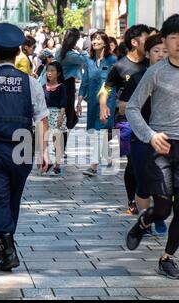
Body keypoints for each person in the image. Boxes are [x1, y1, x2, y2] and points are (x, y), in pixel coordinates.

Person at [125, 14, 179, 279]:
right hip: (161, 147)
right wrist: (150, 136)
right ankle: (144, 221)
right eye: (173, 36)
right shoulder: (154, 72)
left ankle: (168, 258)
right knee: (163, 209)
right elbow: (132, 108)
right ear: (164, 40)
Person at [0, 23, 49, 271]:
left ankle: (6, 244)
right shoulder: (31, 83)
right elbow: (42, 118)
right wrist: (44, 152)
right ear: (19, 51)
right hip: (24, 149)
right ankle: (4, 244)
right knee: (13, 199)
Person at [119, 34, 169, 234]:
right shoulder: (139, 78)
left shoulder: (177, 78)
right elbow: (123, 107)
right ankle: (144, 219)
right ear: (147, 53)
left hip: (167, 137)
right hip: (141, 136)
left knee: (164, 180)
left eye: (165, 51)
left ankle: (159, 214)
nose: (161, 55)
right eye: (156, 51)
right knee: (143, 182)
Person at [99, 24, 150, 214]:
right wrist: (104, 105)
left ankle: (145, 195)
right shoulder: (120, 66)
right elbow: (106, 88)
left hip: (150, 118)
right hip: (126, 119)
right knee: (133, 161)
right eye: (147, 38)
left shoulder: (152, 63)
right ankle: (133, 200)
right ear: (134, 42)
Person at [76, 31, 117, 176]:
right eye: (93, 39)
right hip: (92, 101)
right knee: (96, 131)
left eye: (98, 39)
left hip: (108, 101)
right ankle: (108, 157)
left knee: (101, 130)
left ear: (105, 43)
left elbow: (118, 80)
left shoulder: (113, 60)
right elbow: (84, 82)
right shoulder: (89, 61)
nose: (94, 41)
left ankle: (93, 166)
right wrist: (79, 101)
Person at [55, 28, 89, 151]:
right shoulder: (70, 55)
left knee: (63, 114)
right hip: (67, 86)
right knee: (68, 116)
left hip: (58, 84)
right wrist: (80, 50)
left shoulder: (60, 51)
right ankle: (60, 145)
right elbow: (86, 60)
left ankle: (59, 143)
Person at [42, 61, 68, 175]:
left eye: (52, 71)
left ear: (58, 73)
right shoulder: (43, 87)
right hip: (45, 116)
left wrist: (61, 117)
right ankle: (48, 162)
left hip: (57, 114)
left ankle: (57, 165)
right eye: (48, 71)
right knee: (45, 141)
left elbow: (63, 103)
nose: (49, 73)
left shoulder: (62, 87)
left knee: (56, 141)